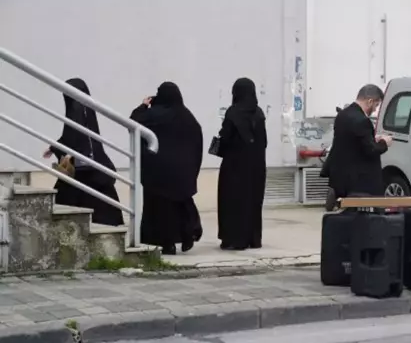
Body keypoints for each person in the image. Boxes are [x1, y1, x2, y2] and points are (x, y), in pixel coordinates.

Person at [130, 82, 203, 255]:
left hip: (159, 173)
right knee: (181, 204)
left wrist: (143, 106)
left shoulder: (153, 115)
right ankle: (187, 235)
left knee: (161, 210)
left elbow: (132, 122)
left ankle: (167, 243)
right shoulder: (187, 116)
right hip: (182, 173)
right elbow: (197, 142)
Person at [43, 78, 124, 226]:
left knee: (72, 193)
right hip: (89, 161)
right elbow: (73, 133)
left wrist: (62, 149)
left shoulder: (76, 108)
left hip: (81, 163)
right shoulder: (86, 108)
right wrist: (55, 147)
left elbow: (74, 133)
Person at [217, 78, 267, 251]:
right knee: (253, 201)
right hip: (257, 166)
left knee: (232, 201)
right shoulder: (259, 113)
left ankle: (233, 239)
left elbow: (226, 138)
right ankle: (253, 238)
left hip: (235, 166)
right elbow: (264, 141)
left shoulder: (233, 113)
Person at [325, 84, 392, 205]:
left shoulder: (342, 115)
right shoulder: (362, 120)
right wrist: (384, 142)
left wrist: (372, 138)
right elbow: (371, 150)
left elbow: (351, 141)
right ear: (370, 101)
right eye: (376, 105)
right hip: (360, 181)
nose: (375, 110)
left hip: (342, 175)